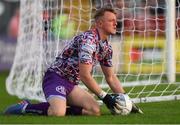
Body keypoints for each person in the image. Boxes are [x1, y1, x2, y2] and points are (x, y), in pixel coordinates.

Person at [4, 7, 143, 116]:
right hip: (56, 78)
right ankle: (25, 107)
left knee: (94, 111)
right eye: (111, 20)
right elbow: (85, 75)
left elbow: (111, 77)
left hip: (71, 84)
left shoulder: (106, 47)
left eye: (115, 20)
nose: (115, 23)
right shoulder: (89, 41)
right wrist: (105, 97)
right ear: (100, 23)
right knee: (58, 113)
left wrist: (128, 102)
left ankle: (62, 106)